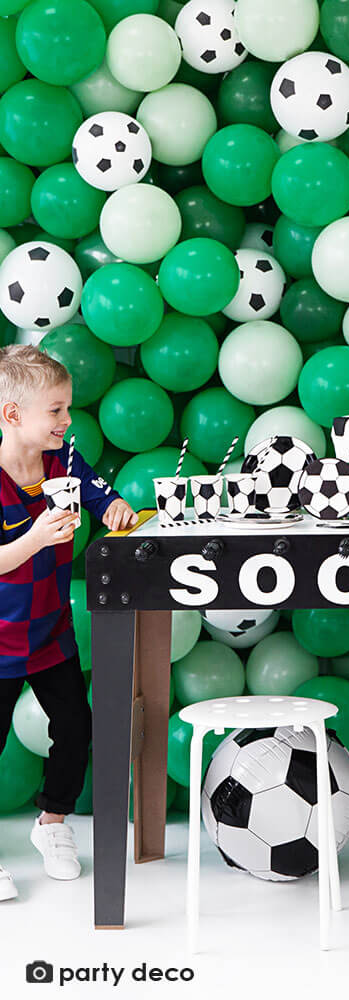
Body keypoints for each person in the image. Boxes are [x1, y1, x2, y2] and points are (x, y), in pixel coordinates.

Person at [0, 345, 138, 901]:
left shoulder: (64, 462)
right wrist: (35, 538)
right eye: (55, 411)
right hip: (2, 639)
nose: (67, 421)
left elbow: (98, 491)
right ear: (13, 415)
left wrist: (114, 508)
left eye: (68, 409)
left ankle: (52, 825)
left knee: (76, 729)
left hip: (51, 632)